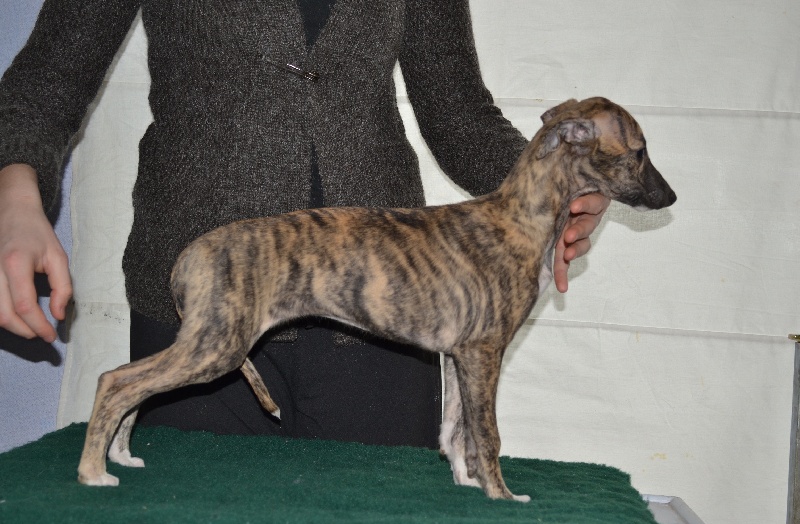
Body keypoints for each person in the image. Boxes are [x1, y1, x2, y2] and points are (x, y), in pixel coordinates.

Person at [0, 0, 609, 448]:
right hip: (206, 291)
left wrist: (557, 187)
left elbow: (458, 112)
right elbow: (44, 86)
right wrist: (16, 200)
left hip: (391, 309)